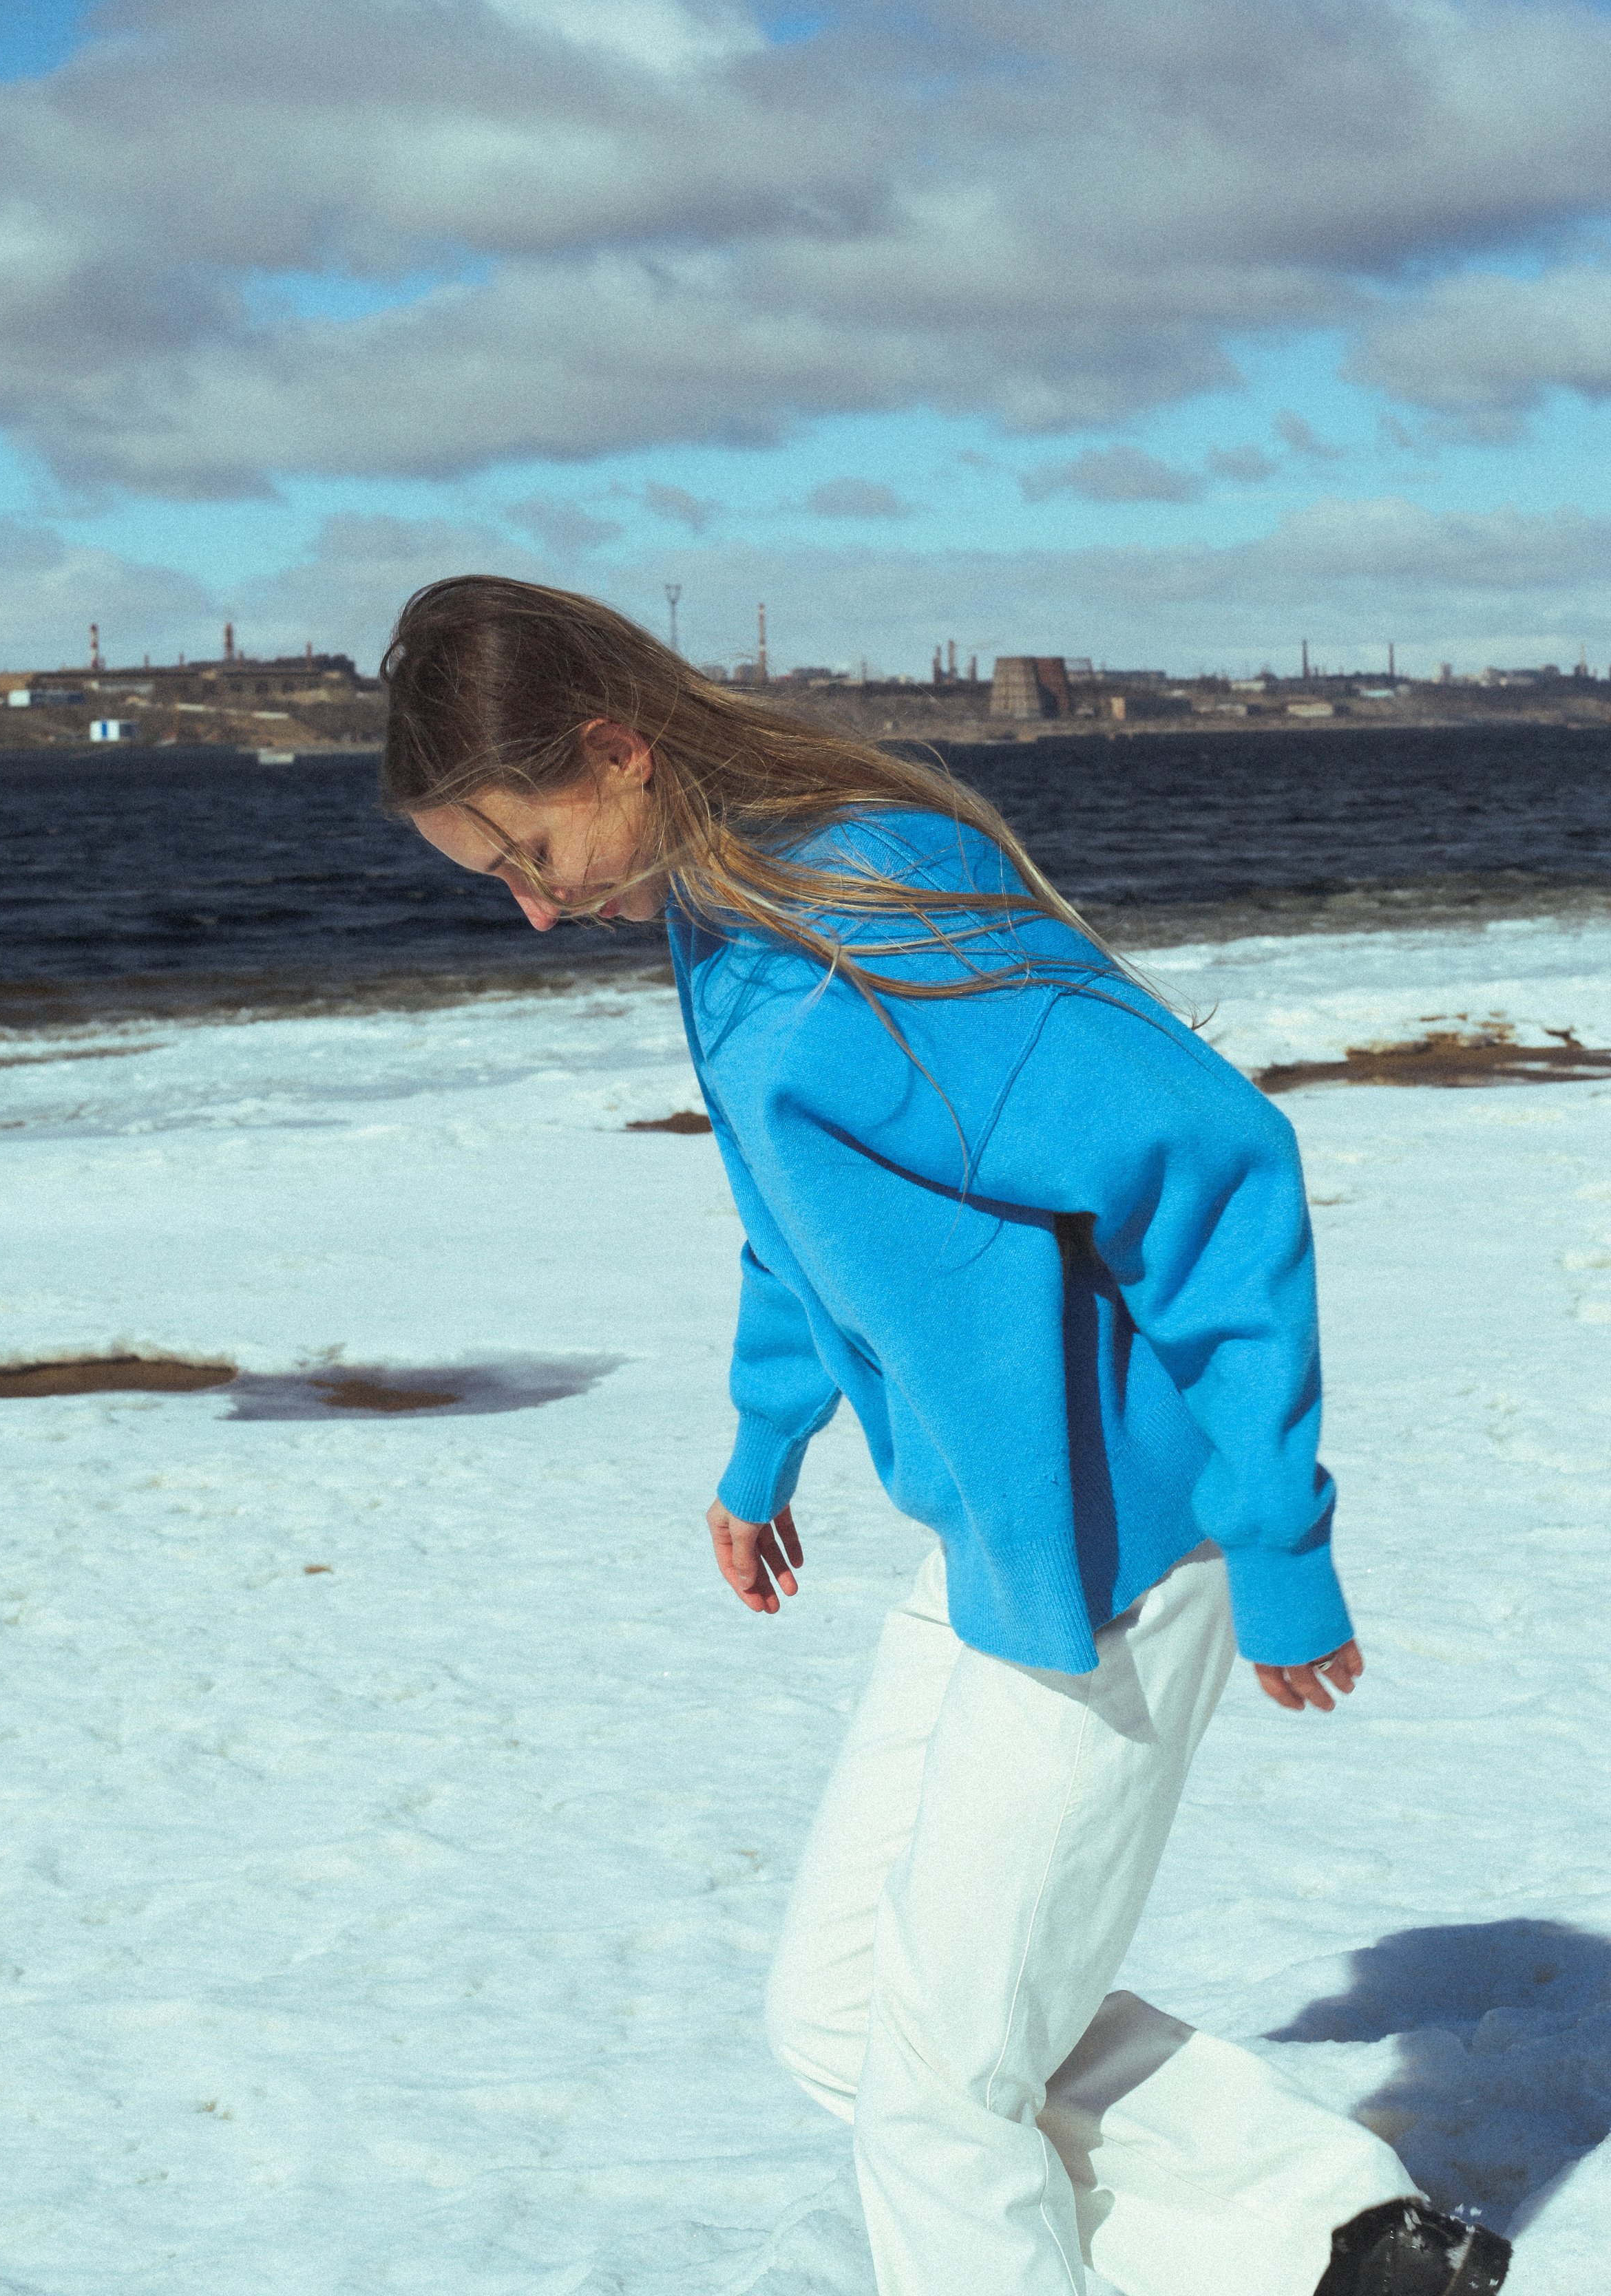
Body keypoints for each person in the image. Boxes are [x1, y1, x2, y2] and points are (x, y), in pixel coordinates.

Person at [382, 574, 1512, 2296]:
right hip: (1001, 1530)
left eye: (526, 855)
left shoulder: (868, 912)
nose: (531, 913)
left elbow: (1215, 1168)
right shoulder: (723, 910)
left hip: (1133, 1544)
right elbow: (792, 1219)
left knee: (937, 2087)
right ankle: (1336, 2239)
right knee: (842, 2013)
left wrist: (1282, 1539)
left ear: (609, 753)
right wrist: (762, 1445)